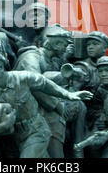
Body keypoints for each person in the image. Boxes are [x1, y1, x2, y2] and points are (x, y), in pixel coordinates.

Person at [0, 51, 93, 158]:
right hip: (16, 137)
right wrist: (3, 126)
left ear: (0, 66)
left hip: (36, 129)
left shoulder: (22, 78)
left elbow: (45, 83)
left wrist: (68, 95)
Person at [13, 25, 72, 157]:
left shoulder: (50, 61)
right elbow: (35, 86)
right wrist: (57, 105)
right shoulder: (31, 57)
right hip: (27, 115)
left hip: (40, 112)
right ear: (56, 43)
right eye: (64, 44)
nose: (65, 49)